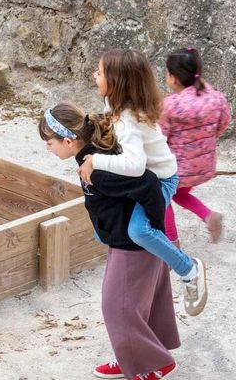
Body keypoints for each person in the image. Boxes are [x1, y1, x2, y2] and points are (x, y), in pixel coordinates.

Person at [41, 103, 179, 380]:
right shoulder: (92, 158)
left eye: (50, 143)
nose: (48, 148)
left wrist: (152, 226)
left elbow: (148, 184)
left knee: (117, 306)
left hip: (132, 244)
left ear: (68, 141)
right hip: (126, 240)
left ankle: (154, 364)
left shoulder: (99, 169)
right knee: (142, 299)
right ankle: (138, 356)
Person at [78, 49, 207, 316]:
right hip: (146, 179)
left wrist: (94, 161)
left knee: (139, 230)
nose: (94, 74)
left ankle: (189, 269)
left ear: (116, 82)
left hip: (161, 180)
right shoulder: (114, 106)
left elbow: (134, 166)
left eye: (100, 72)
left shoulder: (127, 119)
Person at [160, 47, 231, 243]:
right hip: (204, 165)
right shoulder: (216, 98)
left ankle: (171, 241)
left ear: (173, 78)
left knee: (162, 195)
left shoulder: (171, 106)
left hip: (178, 169)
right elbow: (223, 123)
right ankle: (208, 216)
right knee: (179, 194)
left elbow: (160, 137)